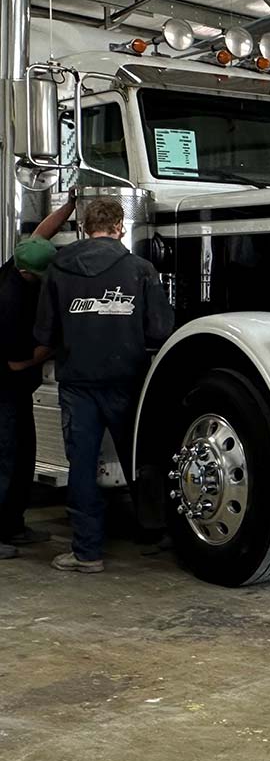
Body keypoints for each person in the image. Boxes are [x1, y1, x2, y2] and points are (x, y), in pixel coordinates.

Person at [33, 196, 174, 573]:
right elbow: (160, 330)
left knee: (81, 465)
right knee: (139, 458)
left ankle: (86, 552)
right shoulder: (141, 269)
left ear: (83, 227)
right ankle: (154, 534)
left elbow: (44, 332)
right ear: (119, 229)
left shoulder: (58, 269)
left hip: (77, 381)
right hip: (128, 380)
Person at [0, 195, 77, 559]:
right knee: (4, 460)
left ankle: (14, 526)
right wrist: (53, 347)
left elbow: (39, 237)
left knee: (23, 456)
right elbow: (18, 363)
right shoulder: (11, 301)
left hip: (16, 392)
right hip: (4, 387)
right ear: (29, 274)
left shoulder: (16, 262)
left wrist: (67, 208)